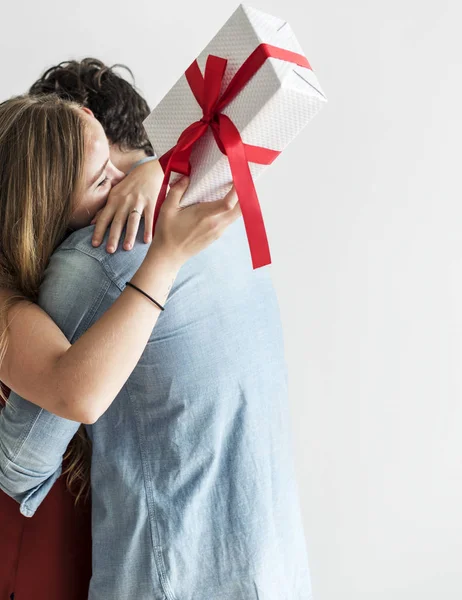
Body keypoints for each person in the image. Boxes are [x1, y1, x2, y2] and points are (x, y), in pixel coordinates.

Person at [0, 86, 313, 599]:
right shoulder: (215, 215)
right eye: (103, 178)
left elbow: (20, 466)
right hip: (278, 570)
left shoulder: (94, 259)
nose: (124, 186)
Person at [0, 58, 169, 599]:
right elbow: (80, 393)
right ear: (44, 208)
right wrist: (167, 257)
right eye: (103, 180)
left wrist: (154, 170)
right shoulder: (7, 304)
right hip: (25, 552)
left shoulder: (50, 273)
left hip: (82, 542)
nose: (121, 188)